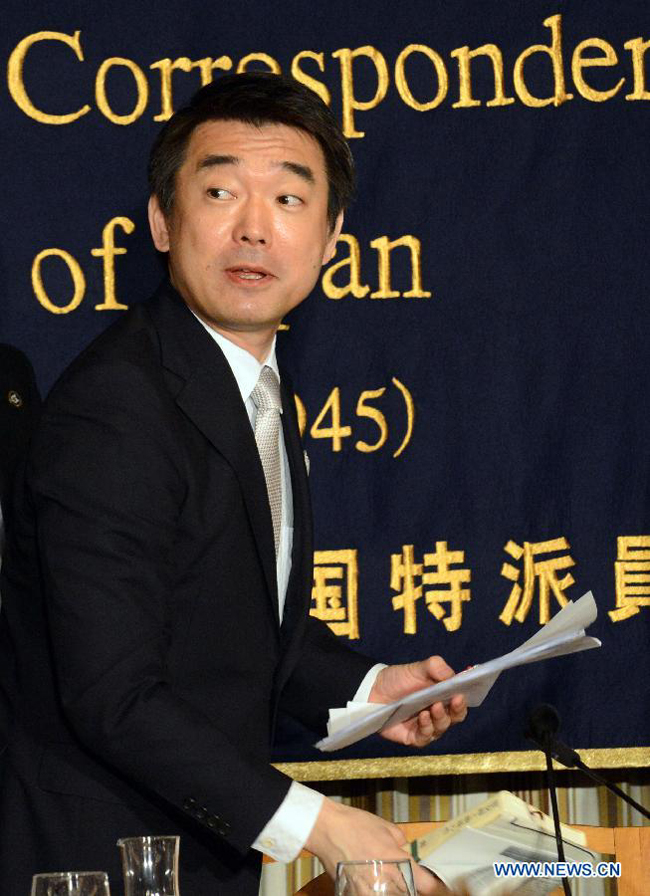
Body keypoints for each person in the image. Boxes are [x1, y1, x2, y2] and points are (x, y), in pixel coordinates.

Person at [0, 73, 466, 895]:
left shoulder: (250, 384)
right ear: (161, 220)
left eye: (289, 201)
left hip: (190, 852)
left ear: (331, 237)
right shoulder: (117, 406)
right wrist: (319, 825)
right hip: (94, 859)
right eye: (219, 191)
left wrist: (370, 691)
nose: (254, 229)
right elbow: (115, 694)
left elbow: (221, 624)